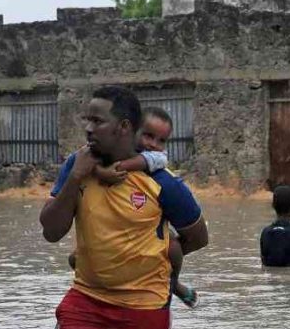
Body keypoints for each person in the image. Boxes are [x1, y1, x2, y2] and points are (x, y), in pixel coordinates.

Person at [40, 86, 208, 329]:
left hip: (144, 308)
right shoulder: (77, 166)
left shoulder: (161, 181)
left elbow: (198, 237)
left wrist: (153, 257)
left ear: (124, 127)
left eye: (98, 121)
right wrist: (76, 177)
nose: (88, 129)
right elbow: (51, 232)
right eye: (87, 120)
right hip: (86, 300)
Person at [69, 107, 199, 308]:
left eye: (161, 140)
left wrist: (113, 171)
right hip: (103, 240)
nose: (154, 144)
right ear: (131, 131)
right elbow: (85, 159)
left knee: (172, 245)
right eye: (148, 135)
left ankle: (174, 283)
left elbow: (145, 160)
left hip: (145, 238)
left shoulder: (158, 163)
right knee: (74, 258)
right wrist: (100, 172)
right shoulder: (103, 150)